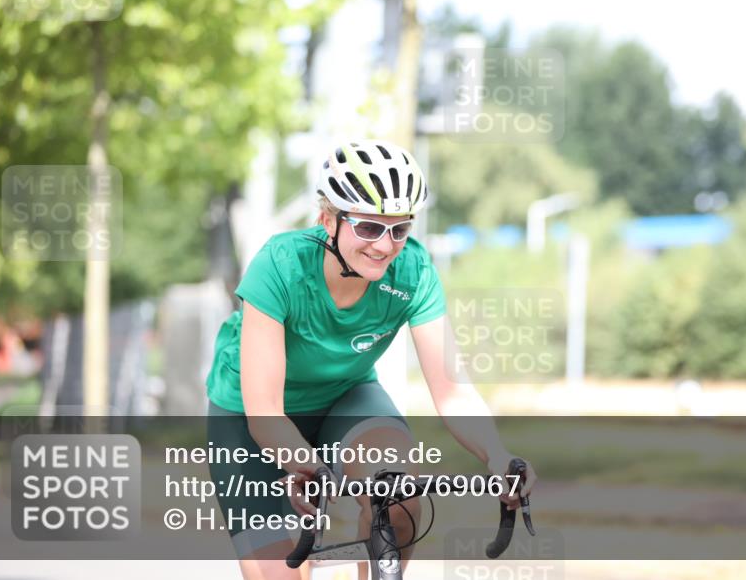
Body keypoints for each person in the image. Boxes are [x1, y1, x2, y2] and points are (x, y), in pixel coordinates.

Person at [204, 140, 536, 580]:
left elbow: (452, 390)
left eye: (399, 229)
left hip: (347, 397)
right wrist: (309, 467)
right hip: (251, 416)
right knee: (277, 573)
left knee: (398, 494)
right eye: (368, 227)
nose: (384, 245)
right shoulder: (279, 264)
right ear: (328, 218)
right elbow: (265, 413)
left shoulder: (413, 272)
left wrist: (496, 455)